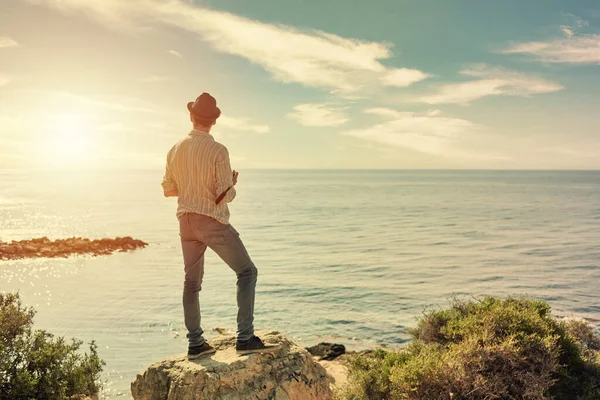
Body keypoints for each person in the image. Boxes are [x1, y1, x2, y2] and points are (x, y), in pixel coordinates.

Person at [161, 93, 278, 359]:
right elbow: (224, 195)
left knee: (191, 283)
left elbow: (169, 191)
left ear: (191, 117)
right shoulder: (218, 150)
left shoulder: (175, 149)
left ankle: (195, 344)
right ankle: (245, 338)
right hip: (211, 221)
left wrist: (191, 187)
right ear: (214, 121)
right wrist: (232, 184)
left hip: (185, 222)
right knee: (247, 272)